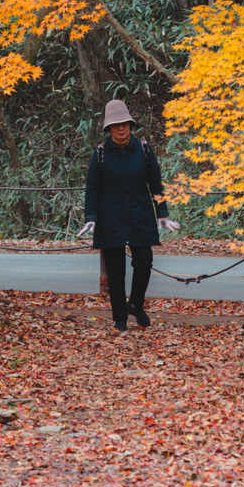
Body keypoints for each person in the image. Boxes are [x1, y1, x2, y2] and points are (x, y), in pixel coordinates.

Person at [78, 99, 179, 331]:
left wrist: (162, 213)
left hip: (140, 213)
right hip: (110, 216)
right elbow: (92, 187)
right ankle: (119, 316)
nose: (121, 128)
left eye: (124, 124)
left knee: (144, 261)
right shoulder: (101, 153)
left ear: (130, 125)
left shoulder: (143, 149)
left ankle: (135, 304)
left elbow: (155, 183)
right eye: (115, 125)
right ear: (108, 128)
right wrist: (91, 217)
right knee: (115, 270)